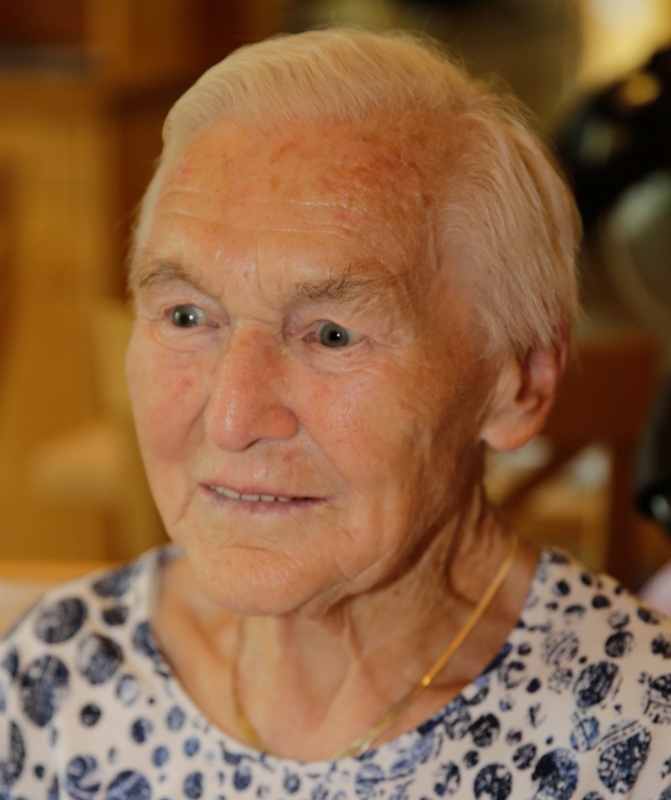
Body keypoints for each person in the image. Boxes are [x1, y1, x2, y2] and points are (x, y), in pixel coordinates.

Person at [2, 27, 671, 800]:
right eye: (186, 316)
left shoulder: (637, 739)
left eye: (330, 335)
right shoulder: (57, 681)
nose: (230, 419)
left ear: (518, 381)